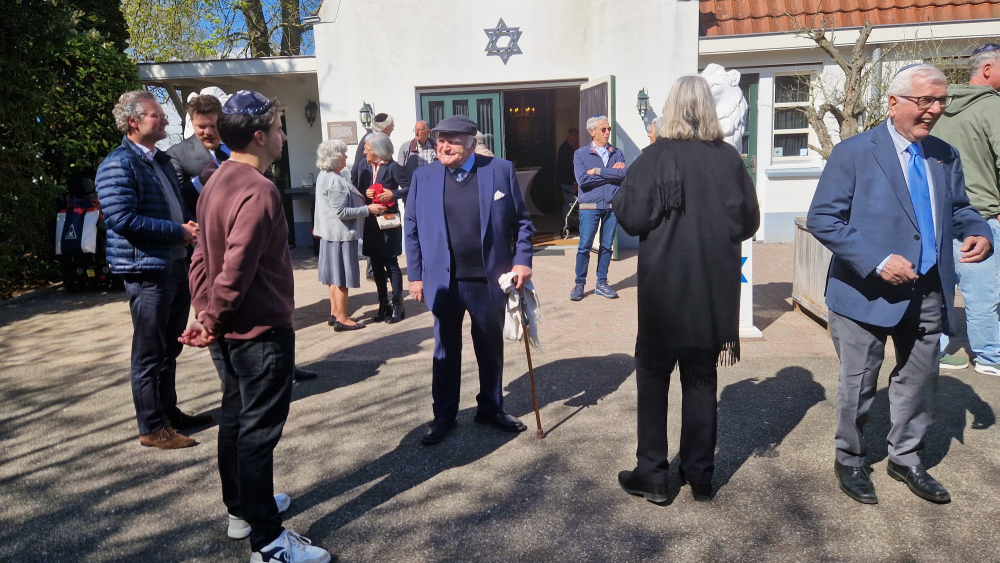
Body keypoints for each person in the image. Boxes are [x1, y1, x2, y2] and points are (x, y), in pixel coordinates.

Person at [807, 64, 992, 505]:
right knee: (859, 382)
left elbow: (959, 207)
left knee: (920, 378)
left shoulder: (944, 154)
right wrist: (876, 261)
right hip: (864, 291)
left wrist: (977, 228)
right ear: (894, 103)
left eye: (941, 101)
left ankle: (905, 458)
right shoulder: (854, 152)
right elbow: (823, 218)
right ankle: (850, 459)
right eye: (925, 100)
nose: (935, 110)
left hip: (928, 288)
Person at [180, 90, 332, 563]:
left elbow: (201, 257)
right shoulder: (259, 189)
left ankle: (243, 510)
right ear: (261, 136)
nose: (285, 137)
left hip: (227, 331)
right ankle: (268, 543)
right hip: (259, 333)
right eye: (281, 128)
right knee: (257, 434)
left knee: (236, 421)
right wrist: (211, 317)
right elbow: (237, 266)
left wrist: (206, 315)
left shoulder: (216, 180)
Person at [612, 76, 760, 504]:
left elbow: (631, 218)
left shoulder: (656, 156)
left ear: (670, 109)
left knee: (653, 378)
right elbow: (747, 222)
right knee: (700, 379)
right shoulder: (728, 158)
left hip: (664, 288)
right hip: (711, 287)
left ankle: (653, 475)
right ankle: (699, 475)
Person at [404, 115, 535, 445]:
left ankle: (490, 408)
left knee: (489, 348)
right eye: (440, 140)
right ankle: (444, 415)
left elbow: (522, 222)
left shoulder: (499, 170)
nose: (444, 147)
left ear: (473, 144)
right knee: (445, 351)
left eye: (453, 141)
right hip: (443, 281)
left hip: (487, 280)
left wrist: (522, 261)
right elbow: (412, 229)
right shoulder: (423, 177)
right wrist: (415, 276)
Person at [95, 90, 209, 450]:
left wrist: (187, 225)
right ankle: (151, 427)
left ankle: (168, 413)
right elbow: (122, 219)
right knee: (148, 352)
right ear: (133, 121)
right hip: (146, 269)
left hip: (174, 262)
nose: (165, 120)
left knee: (168, 349)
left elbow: (173, 207)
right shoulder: (118, 164)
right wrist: (177, 231)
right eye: (157, 115)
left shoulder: (159, 160)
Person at [932, 43, 1000, 374]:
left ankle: (935, 350)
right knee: (983, 293)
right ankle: (990, 357)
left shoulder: (938, 107)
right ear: (987, 69)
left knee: (939, 289)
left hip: (937, 214)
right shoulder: (993, 106)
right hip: (981, 216)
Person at [314, 140, 385, 331]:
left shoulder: (325, 175)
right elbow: (341, 212)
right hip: (340, 237)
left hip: (331, 235)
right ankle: (342, 318)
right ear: (335, 157)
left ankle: (335, 313)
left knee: (333, 278)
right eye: (343, 154)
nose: (346, 156)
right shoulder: (334, 180)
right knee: (341, 279)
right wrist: (368, 209)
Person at [571, 115, 625, 301]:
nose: (607, 132)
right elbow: (583, 180)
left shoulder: (616, 152)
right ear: (592, 132)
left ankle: (601, 283)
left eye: (608, 128)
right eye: (603, 129)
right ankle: (579, 284)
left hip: (611, 206)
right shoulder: (580, 154)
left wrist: (597, 171)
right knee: (584, 245)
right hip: (589, 206)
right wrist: (611, 176)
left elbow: (622, 175)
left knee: (606, 246)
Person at [358, 132, 409, 324]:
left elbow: (409, 187)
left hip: (388, 221)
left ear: (379, 150)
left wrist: (393, 194)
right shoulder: (364, 166)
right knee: (376, 263)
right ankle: (383, 302)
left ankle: (397, 303)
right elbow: (357, 188)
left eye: (368, 149)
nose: (364, 153)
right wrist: (366, 192)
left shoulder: (393, 167)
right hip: (371, 221)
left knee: (391, 262)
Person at [166, 94, 229, 217]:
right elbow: (176, 199)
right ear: (191, 122)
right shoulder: (177, 154)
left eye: (213, 126)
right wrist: (200, 181)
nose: (208, 132)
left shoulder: (240, 144)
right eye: (202, 127)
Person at [351, 112, 394, 187]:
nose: (393, 129)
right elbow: (358, 164)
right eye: (392, 126)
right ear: (385, 128)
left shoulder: (378, 138)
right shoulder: (370, 139)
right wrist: (357, 187)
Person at [556, 128, 579, 237]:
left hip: (566, 179)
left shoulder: (567, 147)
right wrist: (574, 181)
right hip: (567, 180)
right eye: (576, 136)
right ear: (570, 136)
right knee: (569, 202)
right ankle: (566, 224)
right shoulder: (566, 148)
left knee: (569, 202)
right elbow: (568, 167)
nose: (577, 139)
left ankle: (568, 223)